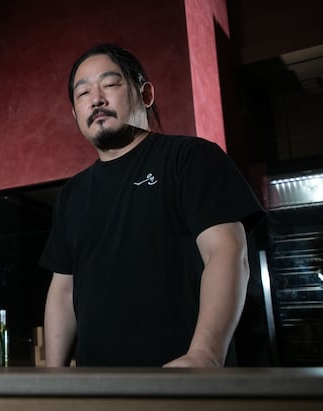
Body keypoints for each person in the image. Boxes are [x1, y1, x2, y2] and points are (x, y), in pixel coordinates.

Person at [40, 44, 265, 367]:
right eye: (83, 93)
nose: (96, 99)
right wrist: (54, 376)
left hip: (180, 378)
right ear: (75, 114)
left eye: (110, 84)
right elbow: (63, 290)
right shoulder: (72, 194)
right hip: (97, 384)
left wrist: (205, 354)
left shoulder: (191, 158)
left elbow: (227, 252)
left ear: (145, 94)